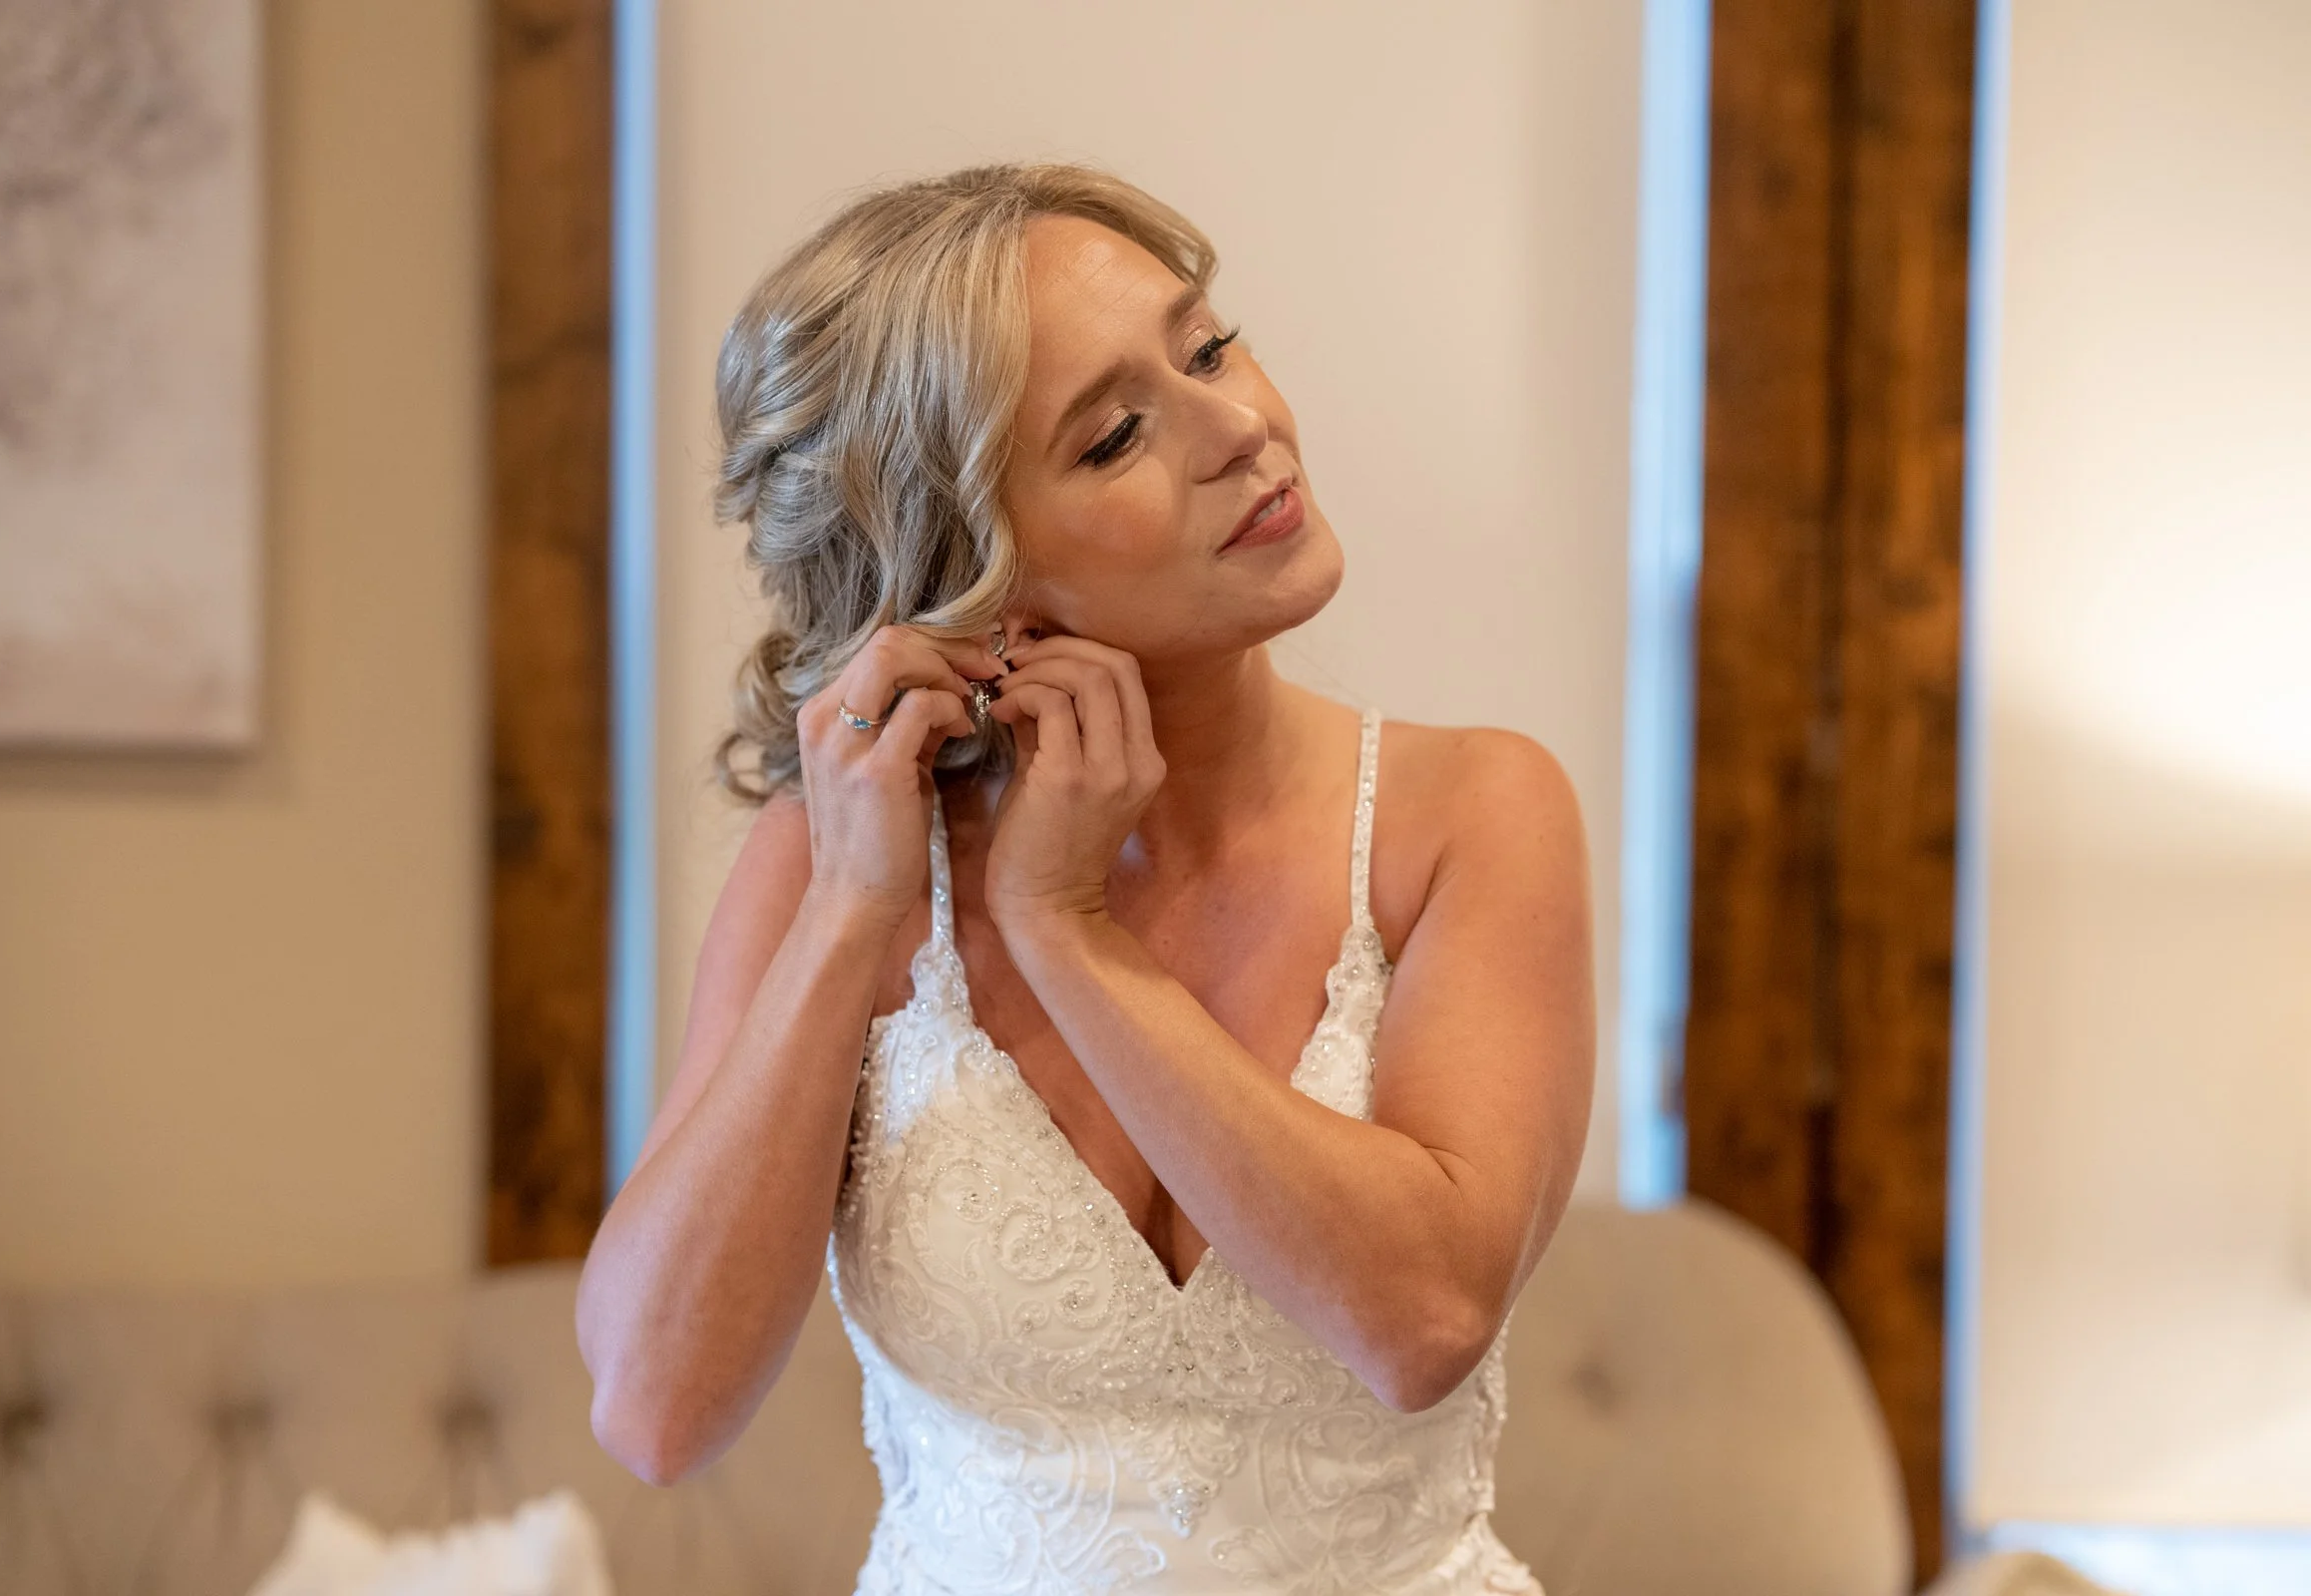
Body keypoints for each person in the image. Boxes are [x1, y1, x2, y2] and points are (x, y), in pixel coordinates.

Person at [575, 162, 1596, 1594]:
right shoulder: (835, 863)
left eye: (1210, 347)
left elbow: (1421, 1320)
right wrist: (856, 906)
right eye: (1117, 435)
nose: (1243, 428)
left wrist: (1064, 929)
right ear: (971, 579)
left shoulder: (1472, 814)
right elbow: (656, 1407)